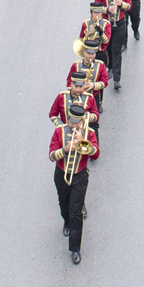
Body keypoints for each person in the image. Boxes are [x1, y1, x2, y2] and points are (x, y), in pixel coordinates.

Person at [49, 102, 100, 264]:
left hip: (79, 176)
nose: (72, 125)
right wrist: (65, 149)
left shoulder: (88, 133)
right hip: (62, 174)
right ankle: (66, 221)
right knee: (64, 205)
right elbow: (51, 155)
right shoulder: (59, 132)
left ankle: (75, 249)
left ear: (82, 122)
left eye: (76, 122)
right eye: (70, 121)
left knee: (76, 212)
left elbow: (95, 154)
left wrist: (82, 143)